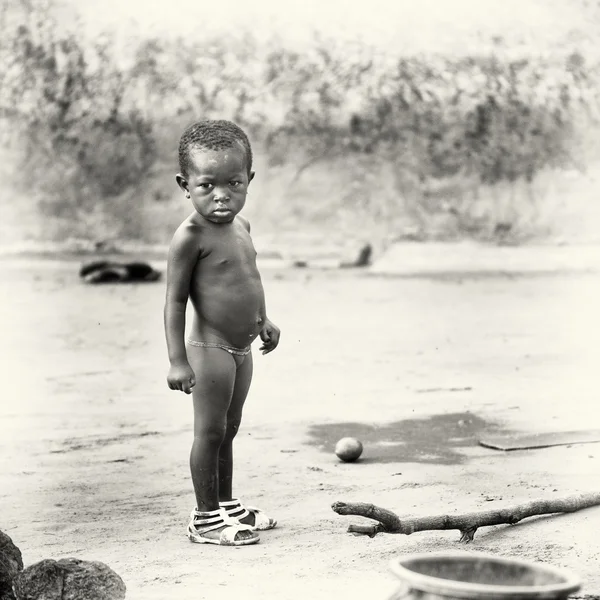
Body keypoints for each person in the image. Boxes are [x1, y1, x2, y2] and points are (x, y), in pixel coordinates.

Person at [164, 120, 281, 546]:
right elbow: (175, 301)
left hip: (241, 347)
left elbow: (250, 279)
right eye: (206, 185)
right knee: (209, 432)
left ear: (249, 180)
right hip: (209, 349)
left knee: (230, 428)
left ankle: (227, 505)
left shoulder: (242, 227)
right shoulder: (189, 237)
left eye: (233, 183)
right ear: (185, 184)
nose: (221, 195)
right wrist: (177, 360)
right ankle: (205, 518)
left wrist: (264, 319)